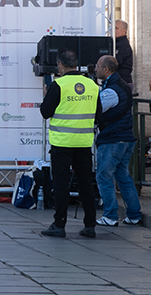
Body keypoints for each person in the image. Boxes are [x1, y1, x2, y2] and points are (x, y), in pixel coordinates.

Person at [39, 49, 102, 238]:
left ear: (60, 65)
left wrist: (46, 95)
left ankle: (59, 225)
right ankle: (90, 226)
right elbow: (98, 115)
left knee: (60, 183)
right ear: (77, 65)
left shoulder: (59, 84)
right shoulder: (91, 85)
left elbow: (45, 112)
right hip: (83, 143)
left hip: (62, 143)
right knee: (85, 184)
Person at [93, 55, 143, 226]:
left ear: (106, 69)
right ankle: (134, 215)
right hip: (125, 138)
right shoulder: (119, 85)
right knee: (123, 176)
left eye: (98, 66)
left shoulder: (111, 91)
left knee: (104, 177)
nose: (95, 69)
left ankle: (110, 216)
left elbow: (96, 109)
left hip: (113, 140)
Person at [113, 19, 133, 90]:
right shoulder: (117, 43)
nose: (113, 30)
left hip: (123, 81)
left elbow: (116, 62)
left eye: (116, 28)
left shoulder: (123, 45)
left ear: (124, 31)